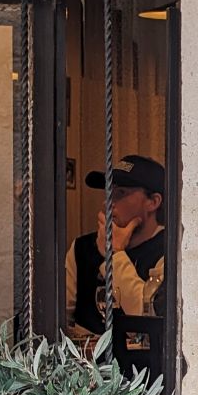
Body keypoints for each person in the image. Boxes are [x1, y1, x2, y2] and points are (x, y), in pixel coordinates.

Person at [65, 155, 165, 375]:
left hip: (145, 380)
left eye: (120, 193)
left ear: (153, 202)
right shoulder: (82, 248)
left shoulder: (169, 251)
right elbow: (58, 318)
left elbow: (147, 316)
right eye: (108, 192)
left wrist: (115, 254)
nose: (107, 202)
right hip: (87, 378)